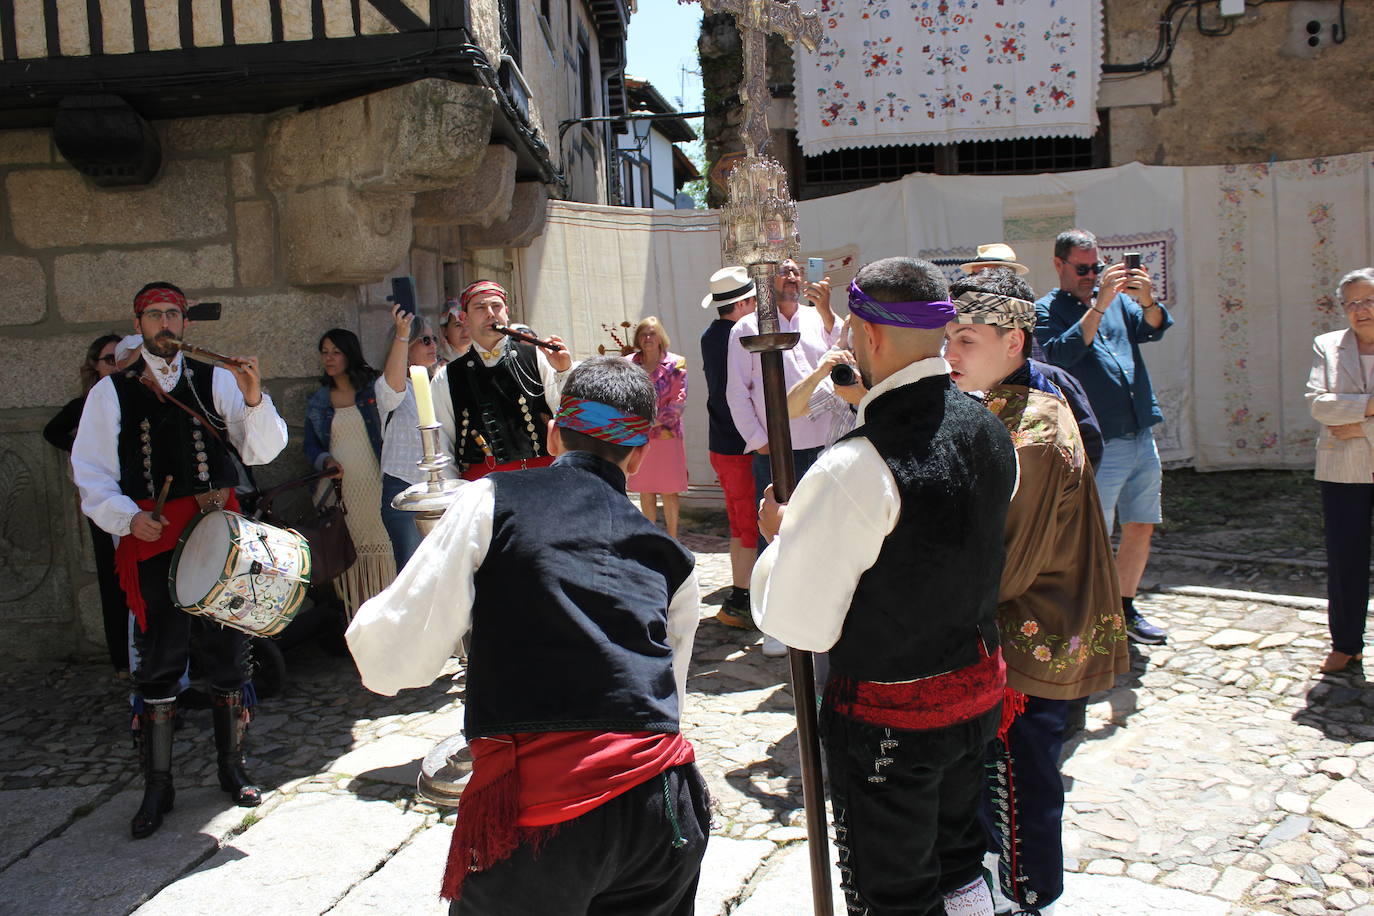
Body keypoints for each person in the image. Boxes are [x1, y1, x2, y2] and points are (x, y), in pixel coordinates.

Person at [346, 357, 709, 915]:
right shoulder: (675, 560)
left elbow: (390, 659)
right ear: (638, 457)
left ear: (553, 432)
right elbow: (668, 700)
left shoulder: (489, 500)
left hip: (544, 818)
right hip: (664, 811)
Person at [753, 257, 1017, 916]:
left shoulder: (855, 465)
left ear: (867, 335)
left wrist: (784, 539)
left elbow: (798, 624)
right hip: (975, 699)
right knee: (961, 864)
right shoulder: (991, 430)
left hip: (892, 729)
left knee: (897, 895)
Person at [71, 281, 287, 838]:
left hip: (219, 530)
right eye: (155, 315)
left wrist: (256, 397)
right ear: (139, 323)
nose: (166, 323)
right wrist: (125, 517)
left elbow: (261, 450)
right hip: (154, 533)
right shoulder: (110, 391)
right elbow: (90, 472)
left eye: (174, 314)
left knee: (227, 652)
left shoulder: (217, 379)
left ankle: (232, 768)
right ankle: (157, 785)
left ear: (185, 322)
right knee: (160, 658)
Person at [946, 271, 1129, 916]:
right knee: (1000, 785)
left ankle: (1031, 899)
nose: (952, 353)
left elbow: (1011, 561)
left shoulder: (1035, 428)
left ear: (1015, 342)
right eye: (947, 337)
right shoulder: (995, 407)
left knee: (1024, 786)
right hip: (1013, 627)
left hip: (1032, 630)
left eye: (967, 338)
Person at [1035, 228, 1174, 645]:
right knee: (1095, 533)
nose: (1091, 274)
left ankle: (1125, 606)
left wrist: (1146, 298)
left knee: (1141, 523)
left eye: (1096, 267)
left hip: (1139, 431)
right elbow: (1059, 355)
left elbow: (1154, 327)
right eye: (1082, 268)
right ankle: (1092, 617)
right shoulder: (1046, 310)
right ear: (1059, 264)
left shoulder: (1120, 304)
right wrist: (1097, 307)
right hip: (1101, 440)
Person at [727, 257, 841, 657]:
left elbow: (844, 354)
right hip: (775, 447)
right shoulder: (746, 327)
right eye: (783, 270)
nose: (791, 276)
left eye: (795, 270)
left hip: (824, 444)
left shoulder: (818, 318)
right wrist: (759, 439)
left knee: (821, 530)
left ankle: (817, 613)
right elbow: (736, 392)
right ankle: (774, 622)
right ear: (765, 279)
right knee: (773, 531)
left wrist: (828, 312)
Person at [44, 333, 130, 674]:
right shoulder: (86, 404)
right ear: (95, 366)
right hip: (106, 503)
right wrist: (84, 450)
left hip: (140, 499)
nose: (116, 364)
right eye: (108, 359)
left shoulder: (135, 396)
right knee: (114, 579)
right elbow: (53, 432)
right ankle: (124, 659)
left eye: (120, 358)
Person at [431, 280, 573, 480]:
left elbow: (566, 416)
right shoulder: (447, 376)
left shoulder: (538, 358)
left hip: (541, 479)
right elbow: (442, 443)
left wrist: (564, 371)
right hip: (479, 487)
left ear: (506, 312)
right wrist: (454, 495)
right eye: (480, 307)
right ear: (464, 318)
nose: (490, 313)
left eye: (496, 306)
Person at [1307, 267, 1374, 675]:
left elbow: (1339, 410)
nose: (1360, 310)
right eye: (1351, 303)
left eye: (1368, 300)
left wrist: (1357, 421)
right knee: (1345, 558)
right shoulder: (1328, 345)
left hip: (1349, 442)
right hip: (1343, 468)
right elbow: (1319, 405)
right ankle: (1346, 644)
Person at [305, 328, 395, 617]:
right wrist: (325, 461)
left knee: (383, 550)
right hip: (339, 491)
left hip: (375, 484)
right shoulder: (319, 399)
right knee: (350, 552)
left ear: (350, 354)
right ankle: (360, 620)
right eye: (324, 352)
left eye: (336, 352)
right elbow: (310, 445)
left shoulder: (372, 389)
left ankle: (390, 619)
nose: (328, 358)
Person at [700, 267, 761, 628]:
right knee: (750, 525)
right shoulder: (736, 336)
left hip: (722, 442)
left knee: (740, 525)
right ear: (745, 303)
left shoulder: (712, 334)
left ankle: (741, 596)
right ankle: (742, 600)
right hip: (741, 444)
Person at [376, 306, 448, 570]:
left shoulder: (438, 386)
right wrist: (402, 334)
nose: (432, 345)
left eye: (434, 339)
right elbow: (390, 389)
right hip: (405, 489)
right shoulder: (394, 388)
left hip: (440, 490)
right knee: (413, 573)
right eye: (425, 340)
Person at [626, 316, 689, 539]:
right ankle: (651, 537)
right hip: (639, 437)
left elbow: (678, 402)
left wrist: (648, 420)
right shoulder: (628, 363)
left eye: (652, 333)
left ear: (661, 336)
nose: (648, 338)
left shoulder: (676, 363)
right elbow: (623, 397)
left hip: (667, 436)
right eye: (643, 334)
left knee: (670, 490)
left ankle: (673, 538)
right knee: (645, 490)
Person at [438, 296, 472, 367]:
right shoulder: (439, 366)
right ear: (445, 330)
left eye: (468, 325)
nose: (465, 331)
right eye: (458, 325)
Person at [961, 242, 1030, 276]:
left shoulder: (1019, 302)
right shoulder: (961, 300)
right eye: (974, 274)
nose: (975, 279)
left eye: (984, 273)